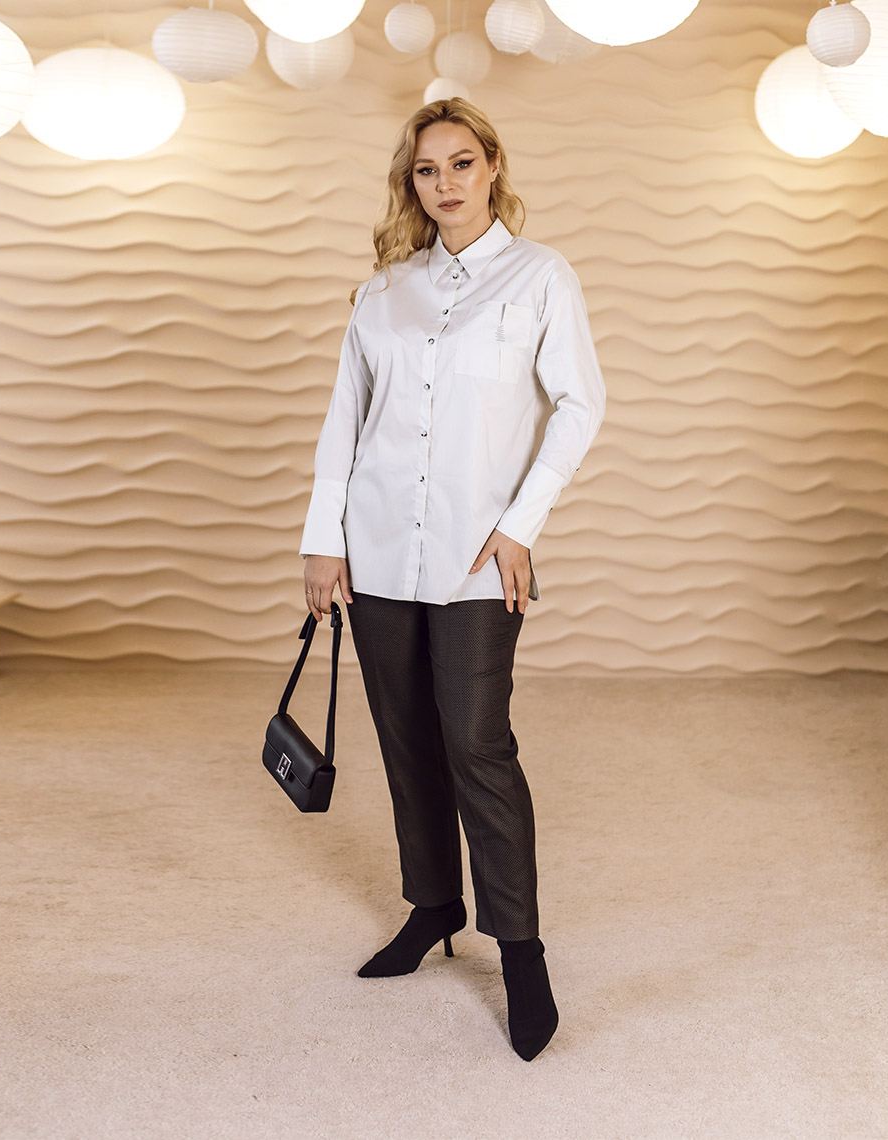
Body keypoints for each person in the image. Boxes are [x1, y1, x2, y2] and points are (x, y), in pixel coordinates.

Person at [299, 98, 605, 1061]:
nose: (445, 183)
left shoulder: (541, 276)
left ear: (492, 166)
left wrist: (521, 526)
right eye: (427, 170)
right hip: (378, 547)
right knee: (406, 740)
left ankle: (521, 952)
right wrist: (322, 541)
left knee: (478, 742)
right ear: (412, 183)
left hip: (480, 555)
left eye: (461, 163)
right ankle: (433, 905)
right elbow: (345, 422)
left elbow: (580, 405)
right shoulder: (383, 291)